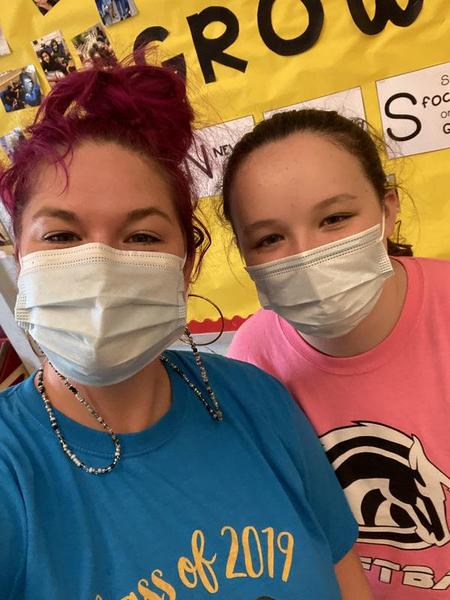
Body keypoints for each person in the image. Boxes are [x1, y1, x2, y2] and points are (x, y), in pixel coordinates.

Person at [0, 65, 372, 599]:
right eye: (62, 235)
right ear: (21, 258)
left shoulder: (259, 401)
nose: (100, 265)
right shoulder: (12, 471)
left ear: (187, 265)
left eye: (142, 236)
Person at [220, 108, 450, 599]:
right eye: (269, 239)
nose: (306, 254)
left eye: (335, 219)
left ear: (387, 209)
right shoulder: (253, 361)